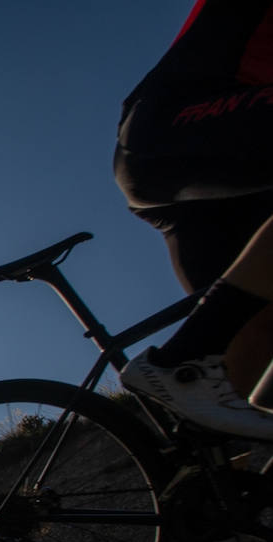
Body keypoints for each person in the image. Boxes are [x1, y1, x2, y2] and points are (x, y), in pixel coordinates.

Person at [114, 1, 273, 439]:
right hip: (175, 124)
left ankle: (211, 492)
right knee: (209, 347)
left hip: (213, 169)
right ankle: (181, 358)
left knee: (254, 332)